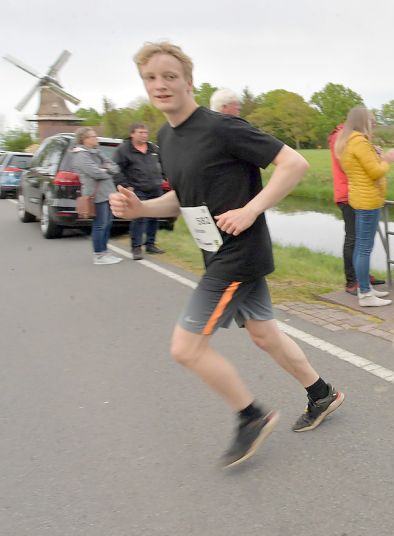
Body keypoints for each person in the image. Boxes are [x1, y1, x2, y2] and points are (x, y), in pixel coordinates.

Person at [110, 41, 344, 468]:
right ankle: (321, 394)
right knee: (263, 334)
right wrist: (141, 209)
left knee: (186, 348)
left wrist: (251, 209)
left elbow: (294, 164)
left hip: (238, 253)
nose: (160, 85)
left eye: (169, 76)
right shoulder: (166, 136)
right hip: (214, 251)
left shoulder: (221, 127)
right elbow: (184, 198)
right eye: (150, 78)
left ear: (188, 81)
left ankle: (251, 416)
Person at [334, 106, 394, 307]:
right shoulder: (359, 142)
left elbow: (362, 168)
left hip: (360, 198)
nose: (373, 124)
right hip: (368, 200)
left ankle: (365, 288)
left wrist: (375, 154)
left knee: (361, 247)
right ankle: (365, 293)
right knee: (364, 248)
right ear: (363, 121)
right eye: (371, 121)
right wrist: (387, 160)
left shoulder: (347, 142)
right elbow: (375, 172)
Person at [328, 123, 384, 295]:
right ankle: (353, 281)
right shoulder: (343, 137)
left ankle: (363, 277)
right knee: (354, 238)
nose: (372, 128)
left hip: (355, 192)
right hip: (349, 194)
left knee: (362, 240)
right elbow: (353, 165)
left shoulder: (350, 138)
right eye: (370, 124)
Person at [113, 123, 165, 260]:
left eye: (145, 132)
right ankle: (136, 247)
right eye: (140, 132)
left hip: (155, 187)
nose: (144, 135)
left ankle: (150, 244)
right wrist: (125, 186)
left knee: (154, 216)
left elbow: (163, 163)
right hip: (136, 189)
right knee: (139, 218)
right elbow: (115, 169)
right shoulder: (124, 150)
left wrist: (165, 177)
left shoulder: (153, 148)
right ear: (132, 134)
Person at [71, 127, 122, 265]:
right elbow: (95, 173)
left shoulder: (97, 152)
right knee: (100, 225)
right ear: (84, 139)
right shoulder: (81, 156)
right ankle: (99, 255)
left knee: (107, 224)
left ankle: (104, 251)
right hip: (96, 195)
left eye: (95, 136)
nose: (96, 138)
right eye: (92, 137)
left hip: (107, 193)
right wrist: (107, 170)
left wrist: (106, 169)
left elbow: (115, 168)